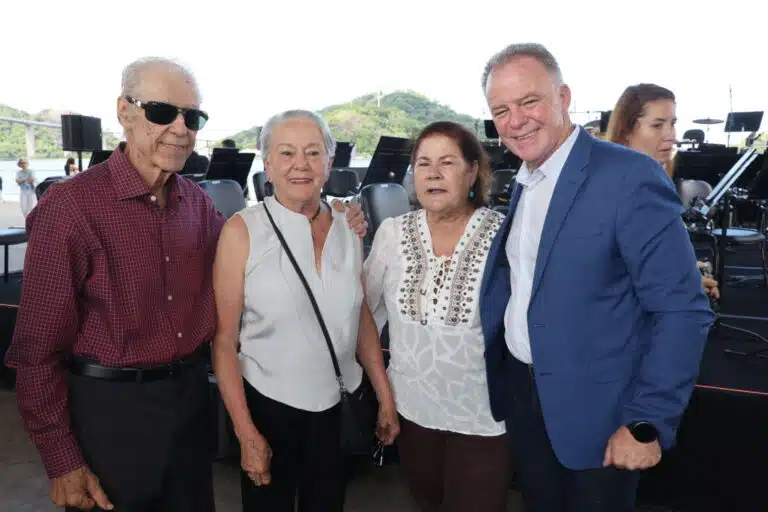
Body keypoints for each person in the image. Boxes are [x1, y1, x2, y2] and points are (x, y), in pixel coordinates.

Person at [4, 57, 369, 512]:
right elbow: (35, 351)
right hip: (110, 411)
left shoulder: (196, 204)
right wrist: (61, 459)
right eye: (162, 112)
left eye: (192, 117)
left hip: (190, 404)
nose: (180, 128)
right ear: (125, 112)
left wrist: (335, 212)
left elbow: (263, 248)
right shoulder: (71, 208)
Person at [478, 43, 715, 512]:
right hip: (527, 402)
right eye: (501, 110)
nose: (516, 120)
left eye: (529, 102)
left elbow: (682, 309)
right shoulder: (527, 179)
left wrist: (646, 421)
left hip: (600, 416)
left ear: (564, 97)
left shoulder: (629, 176)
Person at [211, 109, 398, 512]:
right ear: (267, 165)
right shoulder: (242, 231)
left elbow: (359, 313)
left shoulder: (349, 225)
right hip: (266, 404)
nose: (301, 164)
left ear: (330, 163)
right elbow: (224, 341)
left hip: (335, 403)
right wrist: (246, 434)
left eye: (314, 153)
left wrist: (384, 395)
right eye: (287, 153)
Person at [363, 121, 509, 512]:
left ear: (472, 171)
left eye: (447, 162)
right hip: (412, 412)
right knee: (426, 503)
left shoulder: (503, 235)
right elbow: (365, 317)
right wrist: (383, 398)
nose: (433, 173)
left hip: (484, 417)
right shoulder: (393, 234)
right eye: (423, 163)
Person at [605, 83, 719, 299]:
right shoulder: (620, 188)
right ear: (627, 131)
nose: (670, 135)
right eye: (657, 125)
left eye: (672, 124)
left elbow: (647, 255)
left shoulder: (651, 180)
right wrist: (685, 280)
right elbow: (611, 272)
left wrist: (686, 268)